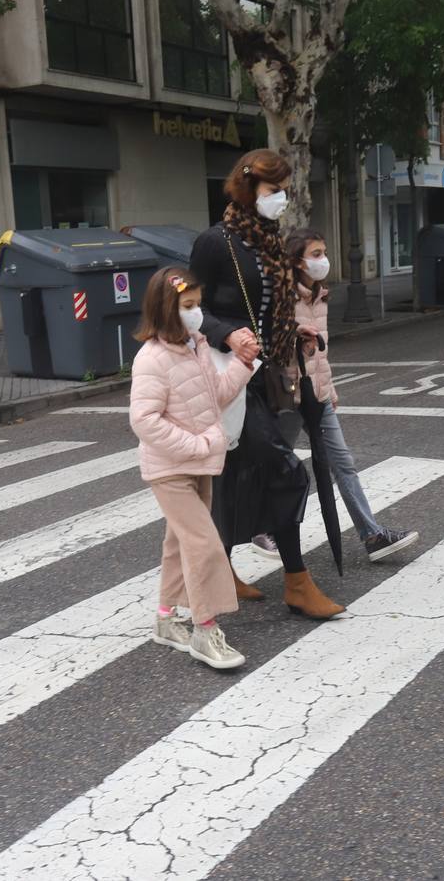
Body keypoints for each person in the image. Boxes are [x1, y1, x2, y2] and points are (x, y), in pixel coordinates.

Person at [189, 148, 345, 620]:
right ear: (248, 187)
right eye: (274, 190)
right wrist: (225, 332)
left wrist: (287, 330)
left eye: (284, 190)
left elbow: (270, 306)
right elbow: (190, 311)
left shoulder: (269, 241)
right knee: (285, 470)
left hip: (267, 372)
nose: (282, 198)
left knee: (238, 478)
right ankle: (297, 582)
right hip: (226, 376)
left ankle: (225, 571)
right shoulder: (215, 242)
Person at [129, 266, 256, 669]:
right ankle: (204, 629)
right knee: (204, 545)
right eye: (188, 305)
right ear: (166, 308)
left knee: (179, 543)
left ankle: (166, 619)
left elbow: (215, 395)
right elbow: (144, 420)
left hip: (199, 463)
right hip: (170, 469)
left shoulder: (197, 346)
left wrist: (243, 362)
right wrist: (198, 444)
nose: (197, 312)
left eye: (198, 303)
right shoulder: (151, 358)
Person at [278, 227, 420, 562]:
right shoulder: (282, 299)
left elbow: (319, 354)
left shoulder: (320, 296)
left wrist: (329, 386)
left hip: (317, 396)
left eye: (324, 252)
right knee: (273, 467)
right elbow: (269, 346)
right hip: (286, 397)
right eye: (315, 254)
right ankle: (257, 529)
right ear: (297, 261)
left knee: (343, 464)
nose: (323, 260)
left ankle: (372, 536)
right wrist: (293, 335)